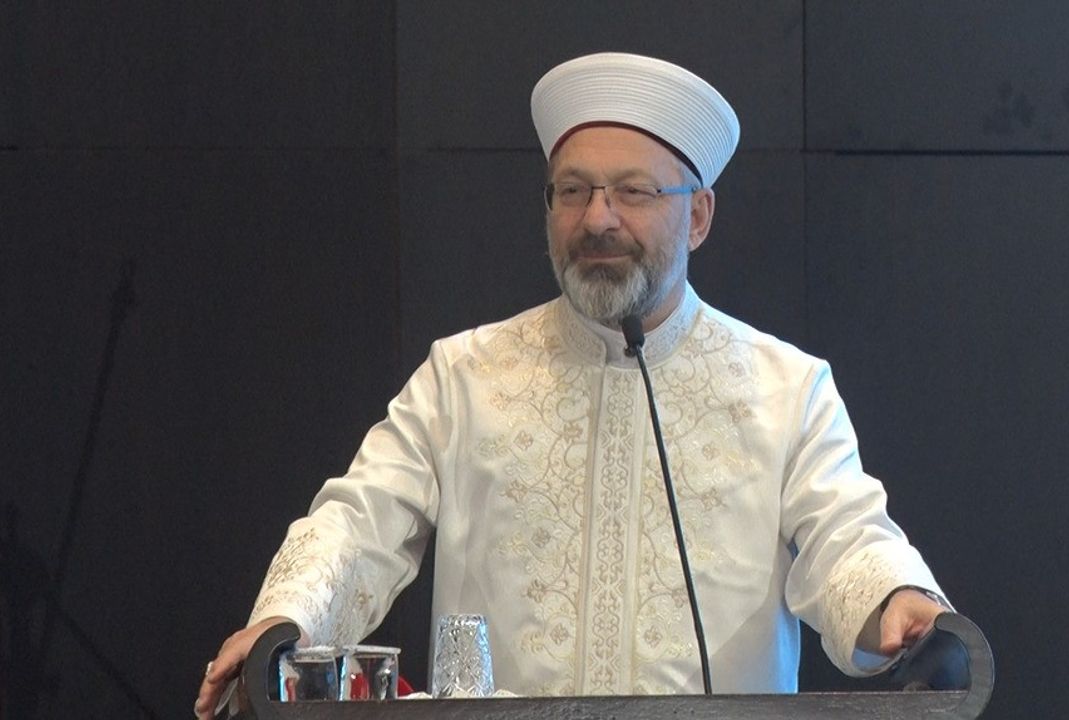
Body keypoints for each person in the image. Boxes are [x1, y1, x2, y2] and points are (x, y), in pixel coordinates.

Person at [196, 51, 949, 718]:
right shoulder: (465, 376)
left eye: (633, 193)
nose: (598, 219)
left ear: (698, 217)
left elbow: (845, 536)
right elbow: (360, 523)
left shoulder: (787, 389)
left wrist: (897, 598)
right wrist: (287, 619)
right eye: (573, 191)